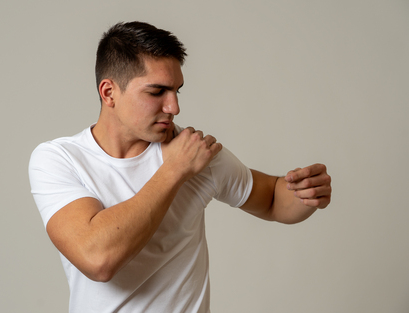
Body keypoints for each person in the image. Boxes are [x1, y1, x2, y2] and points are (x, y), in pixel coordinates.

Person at [29, 21, 331, 313]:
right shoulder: (59, 159)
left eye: (177, 91)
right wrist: (174, 171)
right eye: (156, 92)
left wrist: (305, 193)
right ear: (109, 93)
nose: (174, 107)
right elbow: (98, 259)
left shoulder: (196, 153)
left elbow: (273, 200)